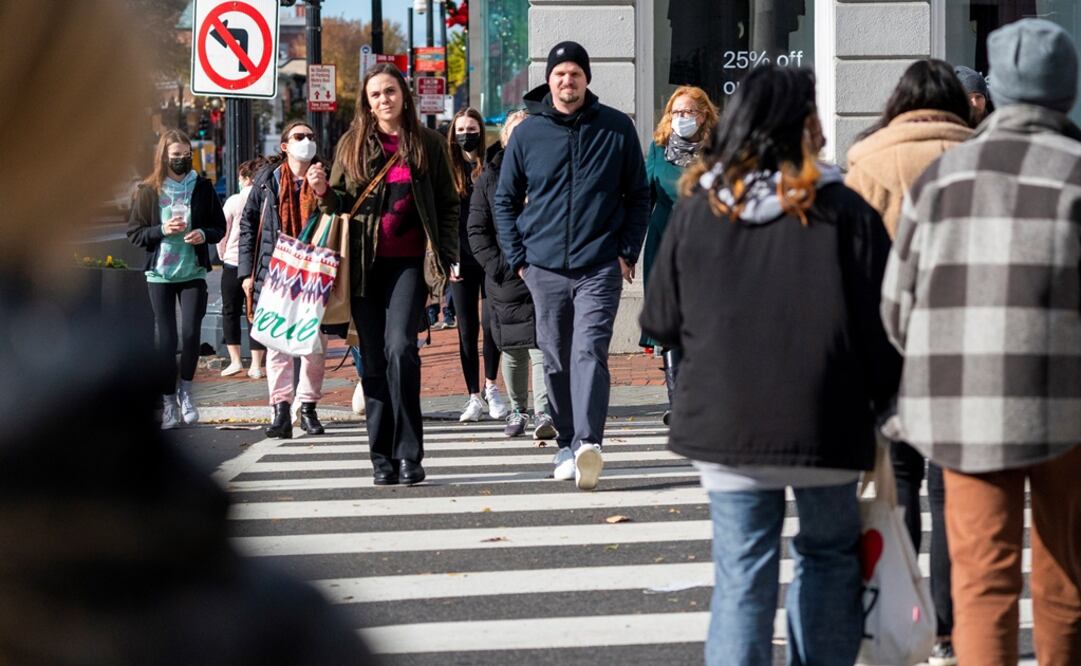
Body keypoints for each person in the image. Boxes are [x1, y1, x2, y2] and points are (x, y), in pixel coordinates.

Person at [0, 2, 372, 662]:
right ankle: (265, 404)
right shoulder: (218, 608)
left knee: (246, 346)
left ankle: (274, 404)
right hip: (187, 282)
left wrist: (209, 239)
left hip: (202, 273)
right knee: (239, 349)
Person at [641, 65, 900, 665]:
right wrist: (883, 404)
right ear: (802, 125)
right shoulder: (844, 208)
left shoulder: (703, 207)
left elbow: (658, 320)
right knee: (831, 555)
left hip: (727, 418)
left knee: (742, 568)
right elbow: (883, 322)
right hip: (828, 415)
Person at [881, 19, 1081, 665]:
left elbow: (896, 305)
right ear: (1064, 92)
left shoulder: (943, 179)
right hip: (1067, 405)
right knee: (1065, 575)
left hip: (961, 405)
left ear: (994, 91)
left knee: (979, 579)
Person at [845, 59, 973, 666]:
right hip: (963, 347)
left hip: (887, 348)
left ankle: (907, 616)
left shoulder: (867, 159)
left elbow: (848, 264)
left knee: (900, 488)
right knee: (953, 495)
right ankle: (949, 629)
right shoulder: (981, 155)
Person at [494, 41, 650, 490]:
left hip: (599, 264)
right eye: (560, 74)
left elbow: (639, 196)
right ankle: (565, 441)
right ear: (550, 80)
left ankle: (589, 444)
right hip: (542, 267)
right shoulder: (528, 134)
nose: (568, 81)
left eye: (575, 73)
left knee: (589, 352)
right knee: (557, 356)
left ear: (586, 79)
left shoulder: (616, 128)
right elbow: (504, 200)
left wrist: (626, 251)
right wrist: (519, 259)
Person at [316, 63, 459, 486]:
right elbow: (340, 200)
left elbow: (449, 205)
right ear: (367, 102)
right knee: (373, 362)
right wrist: (324, 191)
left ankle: (410, 454)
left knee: (401, 349)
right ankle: (382, 458)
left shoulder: (427, 143)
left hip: (409, 266)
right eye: (376, 94)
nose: (384, 99)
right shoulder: (351, 145)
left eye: (391, 91)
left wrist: (445, 256)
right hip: (361, 268)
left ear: (404, 95)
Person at [128, 129, 226, 430]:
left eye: (186, 155)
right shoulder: (149, 190)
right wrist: (162, 230)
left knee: (190, 335)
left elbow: (218, 226)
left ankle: (186, 391)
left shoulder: (203, 186)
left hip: (192, 271)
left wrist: (204, 236)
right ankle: (169, 401)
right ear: (163, 157)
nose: (182, 161)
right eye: (176, 156)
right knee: (167, 339)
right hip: (160, 273)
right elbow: (135, 233)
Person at [468, 110, 558, 439]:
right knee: (514, 347)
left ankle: (543, 412)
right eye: (516, 133)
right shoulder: (489, 177)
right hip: (505, 276)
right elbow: (477, 230)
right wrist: (500, 266)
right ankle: (518, 409)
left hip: (544, 271)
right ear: (505, 138)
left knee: (541, 345)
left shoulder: (548, 171)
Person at [238, 121, 329, 440]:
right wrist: (246, 274)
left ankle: (307, 407)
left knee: (313, 344)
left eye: (311, 137)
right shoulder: (267, 180)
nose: (307, 141)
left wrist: (323, 191)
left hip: (314, 272)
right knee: (276, 344)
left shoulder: (324, 176)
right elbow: (248, 227)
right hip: (275, 269)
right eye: (299, 136)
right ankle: (280, 409)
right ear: (285, 146)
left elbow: (339, 213)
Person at [640, 85, 719, 426]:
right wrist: (626, 248)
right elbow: (642, 197)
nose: (681, 118)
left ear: (703, 115)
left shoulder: (719, 151)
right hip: (664, 242)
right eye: (676, 112)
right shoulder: (658, 150)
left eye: (688, 112)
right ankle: (678, 400)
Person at [447, 107, 510, 423]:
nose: (465, 134)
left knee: (492, 324)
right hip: (460, 257)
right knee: (466, 327)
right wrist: (446, 257)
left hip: (491, 256)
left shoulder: (491, 165)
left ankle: (491, 386)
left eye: (471, 128)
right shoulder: (448, 168)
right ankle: (473, 394)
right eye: (460, 129)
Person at [217, 157, 267, 379]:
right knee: (254, 312)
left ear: (246, 178)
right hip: (258, 265)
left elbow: (222, 232)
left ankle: (236, 360)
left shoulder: (234, 200)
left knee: (230, 311)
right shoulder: (266, 198)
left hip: (232, 263)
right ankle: (256, 364)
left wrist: (223, 254)